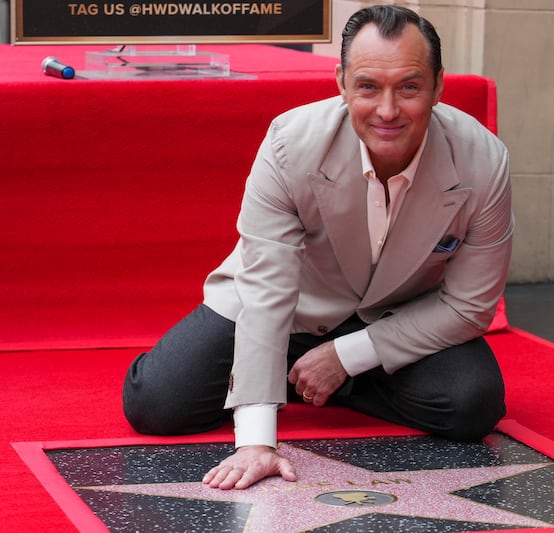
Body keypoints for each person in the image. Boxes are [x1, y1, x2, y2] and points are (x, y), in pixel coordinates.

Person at [122, 4, 514, 490]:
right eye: (368, 86)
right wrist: (257, 442)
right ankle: (289, 372)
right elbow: (266, 287)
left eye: (409, 87)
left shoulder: (484, 161)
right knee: (157, 402)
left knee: (472, 405)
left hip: (394, 318)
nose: (388, 110)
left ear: (438, 86)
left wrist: (347, 356)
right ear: (342, 83)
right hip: (287, 306)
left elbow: (471, 305)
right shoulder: (291, 143)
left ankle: (335, 377)